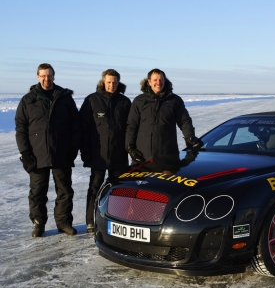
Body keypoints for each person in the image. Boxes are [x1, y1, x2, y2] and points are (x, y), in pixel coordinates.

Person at [15, 63, 81, 237]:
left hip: (61, 152)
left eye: (49, 75)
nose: (46, 79)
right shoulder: (28, 100)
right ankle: (38, 224)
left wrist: (73, 148)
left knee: (65, 191)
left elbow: (75, 125)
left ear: (54, 76)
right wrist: (25, 153)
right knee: (37, 192)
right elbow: (21, 128)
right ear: (37, 77)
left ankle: (64, 223)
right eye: (43, 76)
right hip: (37, 154)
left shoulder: (64, 97)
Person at [80, 69, 131, 233]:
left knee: (118, 188)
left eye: (115, 82)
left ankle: (118, 220)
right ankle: (91, 220)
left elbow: (131, 128)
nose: (112, 85)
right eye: (109, 82)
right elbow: (83, 127)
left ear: (118, 82)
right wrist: (85, 150)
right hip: (98, 153)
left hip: (119, 153)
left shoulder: (124, 102)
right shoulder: (92, 100)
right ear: (103, 82)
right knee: (95, 186)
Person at [126, 69, 201, 171]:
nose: (158, 82)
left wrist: (190, 137)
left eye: (161, 79)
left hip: (167, 156)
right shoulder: (139, 101)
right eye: (155, 80)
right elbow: (132, 125)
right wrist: (130, 148)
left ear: (165, 81)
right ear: (149, 82)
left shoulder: (174, 100)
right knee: (141, 186)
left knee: (166, 187)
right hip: (143, 157)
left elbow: (184, 121)